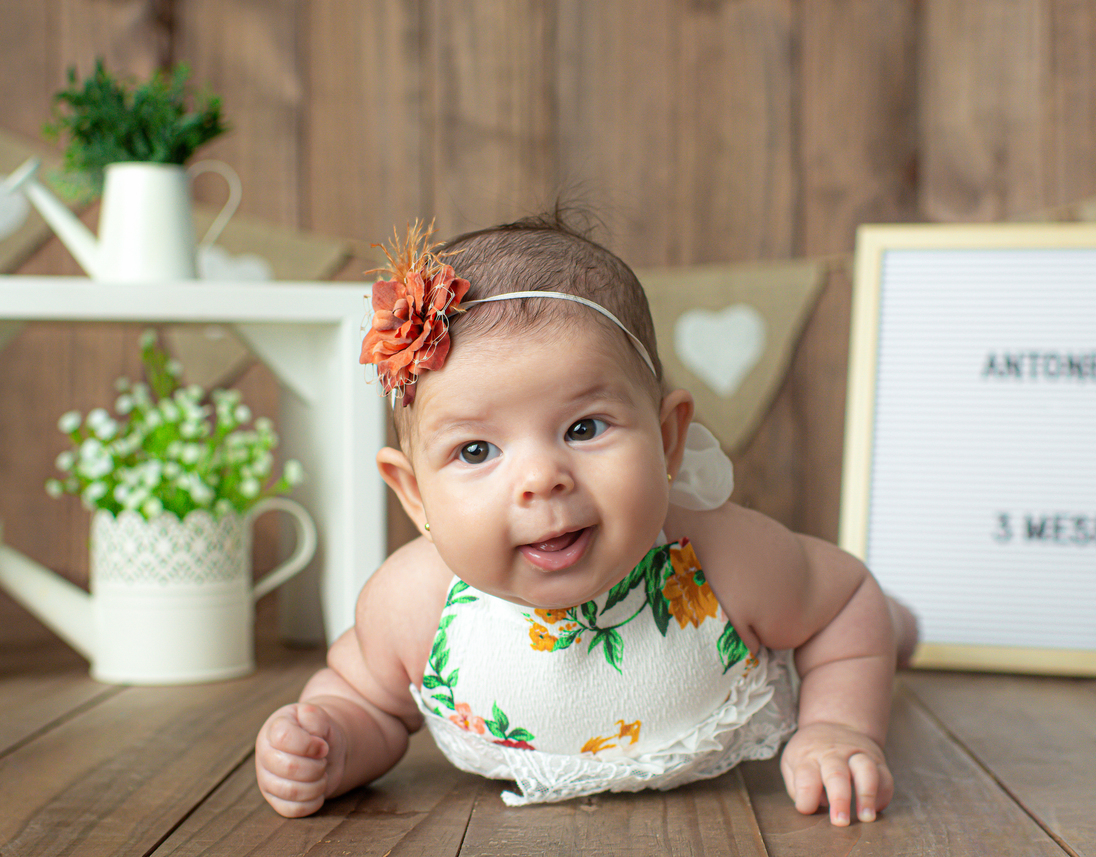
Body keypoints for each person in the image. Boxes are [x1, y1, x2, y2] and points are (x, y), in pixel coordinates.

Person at [255, 215, 918, 826]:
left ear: (667, 438)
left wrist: (839, 727)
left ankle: (901, 627)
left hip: (753, 670)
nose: (543, 477)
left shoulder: (724, 560)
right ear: (415, 494)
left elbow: (842, 600)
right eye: (476, 450)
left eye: (583, 427)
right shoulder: (412, 604)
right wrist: (331, 739)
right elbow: (365, 697)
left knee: (873, 624)